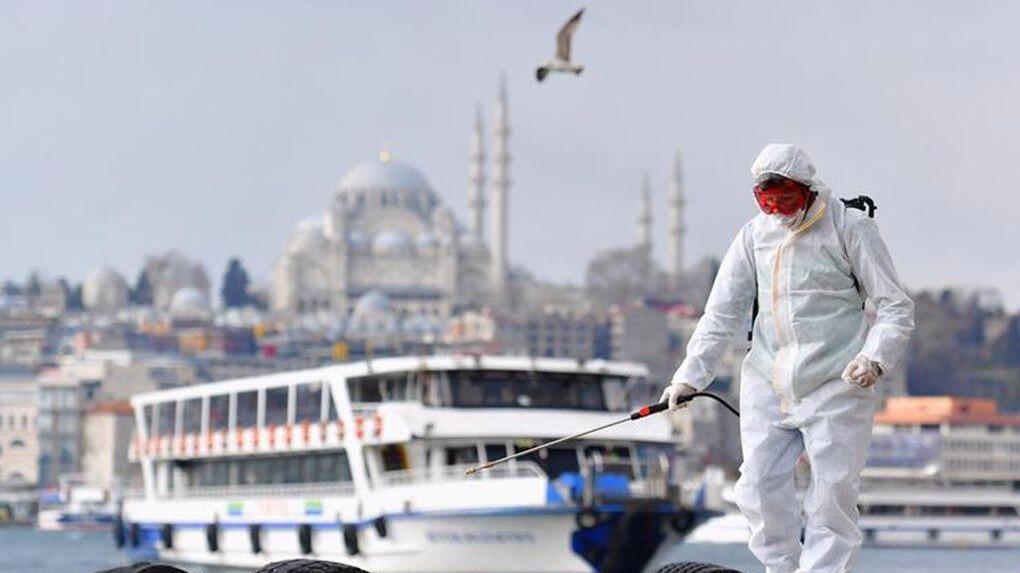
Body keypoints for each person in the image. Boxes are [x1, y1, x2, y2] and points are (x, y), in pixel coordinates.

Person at [661, 144, 914, 573]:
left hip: (838, 382)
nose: (777, 210)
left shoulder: (850, 228)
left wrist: (874, 359)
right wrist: (690, 377)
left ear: (808, 190)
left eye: (786, 199)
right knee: (757, 488)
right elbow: (721, 313)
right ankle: (779, 568)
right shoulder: (753, 237)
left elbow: (895, 308)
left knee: (832, 496)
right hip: (767, 380)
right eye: (767, 201)